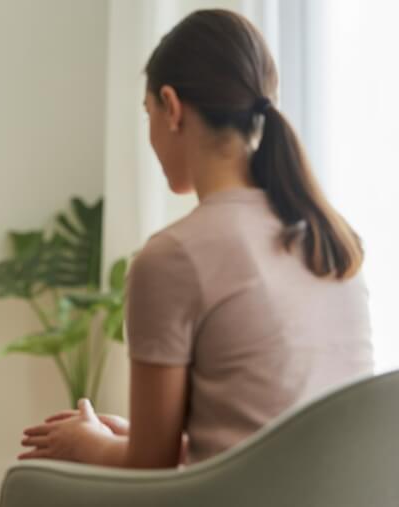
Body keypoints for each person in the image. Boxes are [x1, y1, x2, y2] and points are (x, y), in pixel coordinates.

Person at [19, 9, 373, 469]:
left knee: (31, 481)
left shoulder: (173, 257)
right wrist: (176, 444)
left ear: (172, 106)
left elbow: (149, 467)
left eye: (148, 113)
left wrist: (85, 443)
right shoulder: (330, 239)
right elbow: (282, 437)